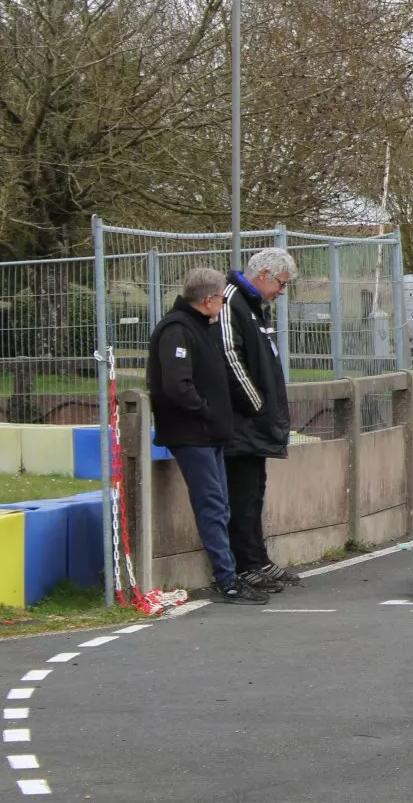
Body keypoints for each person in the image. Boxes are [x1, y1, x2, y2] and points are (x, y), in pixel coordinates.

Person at [147, 269, 263, 605]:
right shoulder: (177, 330)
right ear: (209, 300)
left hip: (209, 434)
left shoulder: (201, 328)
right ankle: (226, 579)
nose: (224, 306)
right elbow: (177, 385)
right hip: (192, 433)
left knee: (220, 504)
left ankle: (229, 573)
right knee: (211, 504)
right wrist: (206, 410)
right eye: (222, 300)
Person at [219, 248, 299, 592]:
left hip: (255, 423)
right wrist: (258, 406)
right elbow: (230, 357)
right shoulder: (231, 301)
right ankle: (245, 564)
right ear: (264, 274)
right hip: (239, 423)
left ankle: (258, 559)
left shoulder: (254, 307)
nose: (282, 291)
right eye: (281, 283)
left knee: (254, 493)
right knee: (241, 495)